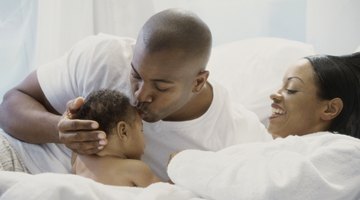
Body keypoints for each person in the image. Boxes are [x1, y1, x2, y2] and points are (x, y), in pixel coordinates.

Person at [0, 8, 271, 179]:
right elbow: (11, 102)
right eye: (136, 76)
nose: (140, 94)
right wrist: (58, 129)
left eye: (161, 86)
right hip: (14, 156)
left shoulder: (234, 137)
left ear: (198, 82)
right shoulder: (104, 57)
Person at [167, 52, 360, 199]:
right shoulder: (262, 146)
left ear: (330, 109)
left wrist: (182, 163)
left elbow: (271, 190)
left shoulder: (349, 152)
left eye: (291, 89)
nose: (275, 95)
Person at [72, 89, 161, 187]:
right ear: (123, 131)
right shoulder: (136, 170)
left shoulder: (79, 160)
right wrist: (176, 167)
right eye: (141, 130)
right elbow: (166, 194)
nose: (145, 140)